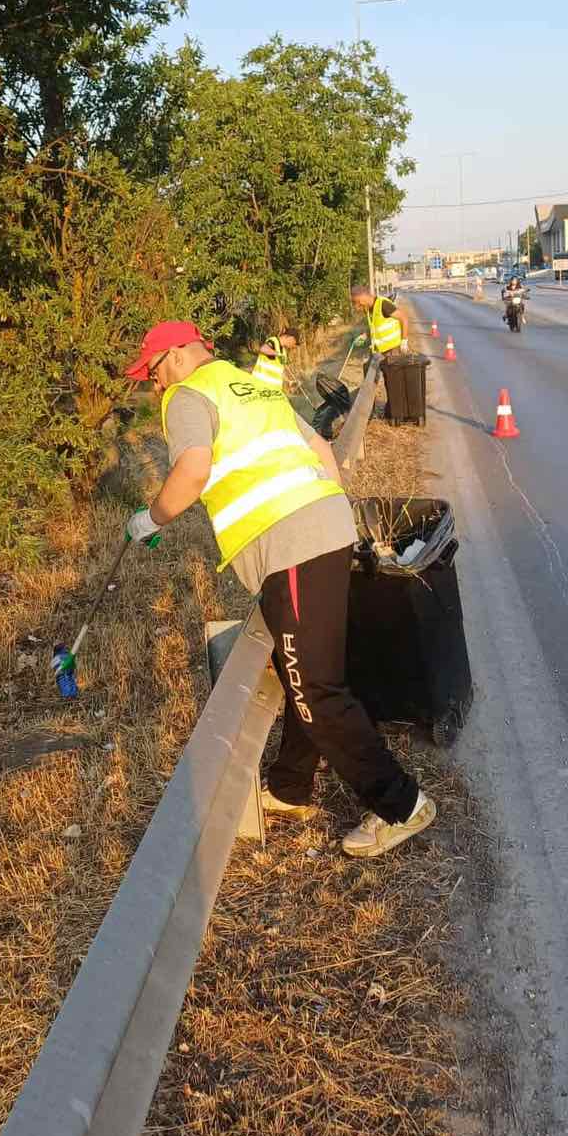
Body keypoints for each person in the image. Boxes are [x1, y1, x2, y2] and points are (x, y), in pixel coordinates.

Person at [124, 320, 435, 858]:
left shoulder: (186, 396)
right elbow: (319, 446)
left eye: (152, 372)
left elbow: (193, 470)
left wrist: (150, 519)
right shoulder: (250, 384)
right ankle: (291, 788)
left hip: (290, 546)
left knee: (315, 689)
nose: (154, 387)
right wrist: (327, 511)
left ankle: (402, 805)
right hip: (323, 530)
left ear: (174, 357)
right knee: (304, 672)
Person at [350, 286, 408, 360]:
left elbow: (404, 318)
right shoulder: (368, 310)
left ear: (363, 299)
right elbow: (374, 327)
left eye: (358, 302)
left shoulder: (383, 304)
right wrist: (364, 336)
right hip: (383, 352)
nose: (358, 306)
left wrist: (404, 341)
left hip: (394, 350)